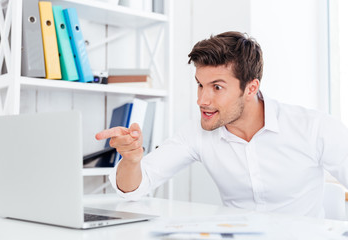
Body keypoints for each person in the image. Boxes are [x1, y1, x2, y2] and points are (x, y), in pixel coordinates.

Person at [95, 31, 348, 218]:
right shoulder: (197, 132)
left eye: (217, 87)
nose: (202, 100)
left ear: (251, 88)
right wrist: (131, 160)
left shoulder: (313, 127)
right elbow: (133, 189)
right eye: (200, 84)